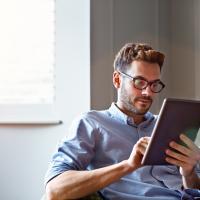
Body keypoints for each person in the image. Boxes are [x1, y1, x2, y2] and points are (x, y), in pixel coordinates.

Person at [44, 43, 200, 200]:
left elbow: (194, 187)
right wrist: (128, 165)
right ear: (117, 80)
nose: (148, 92)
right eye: (139, 82)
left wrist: (188, 173)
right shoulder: (91, 123)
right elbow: (55, 190)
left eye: (154, 84)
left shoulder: (169, 125)